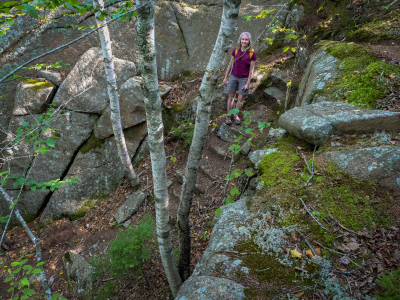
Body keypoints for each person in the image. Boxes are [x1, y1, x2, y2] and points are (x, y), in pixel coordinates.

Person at [223, 32, 257, 125]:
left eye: (246, 40)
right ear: (240, 40)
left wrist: (247, 83)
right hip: (233, 76)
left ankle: (236, 115)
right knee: (231, 97)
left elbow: (251, 70)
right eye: (243, 39)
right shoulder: (236, 50)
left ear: (249, 41)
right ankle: (229, 116)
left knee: (241, 98)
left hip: (244, 78)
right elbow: (230, 64)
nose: (244, 41)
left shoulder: (252, 53)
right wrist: (225, 77)